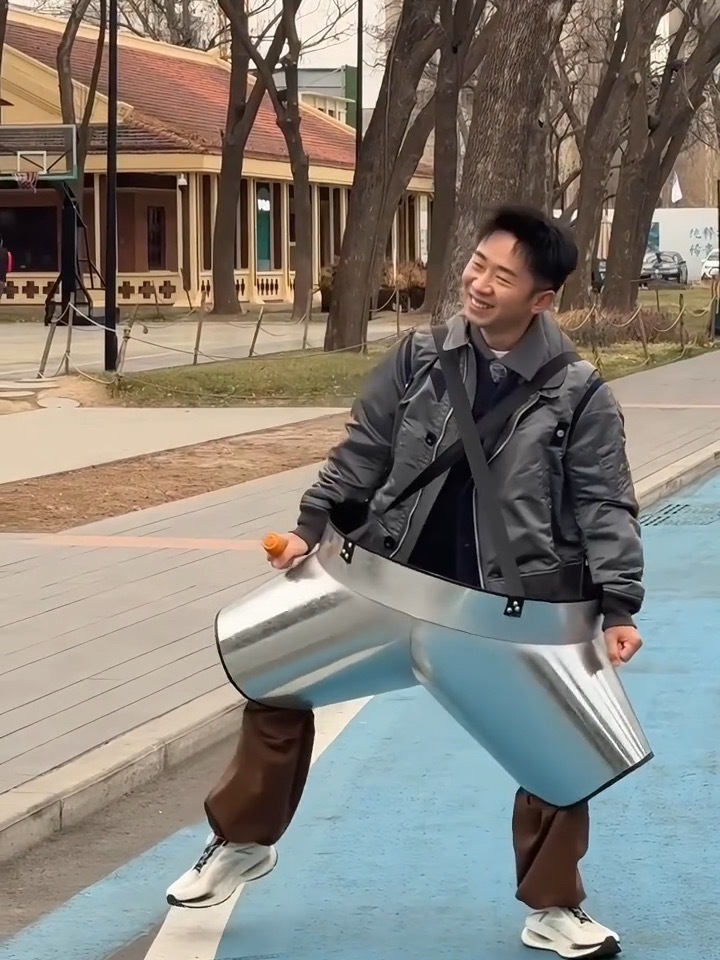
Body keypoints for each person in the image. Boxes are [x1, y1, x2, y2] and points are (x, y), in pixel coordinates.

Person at [167, 206, 644, 959]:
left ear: (542, 299)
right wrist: (310, 526)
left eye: (503, 276)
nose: (479, 283)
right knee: (272, 678)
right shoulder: (419, 356)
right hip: (382, 585)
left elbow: (604, 503)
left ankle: (555, 908)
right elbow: (363, 450)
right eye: (478, 264)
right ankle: (242, 843)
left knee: (559, 754)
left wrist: (618, 605)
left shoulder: (579, 394)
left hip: (510, 613)